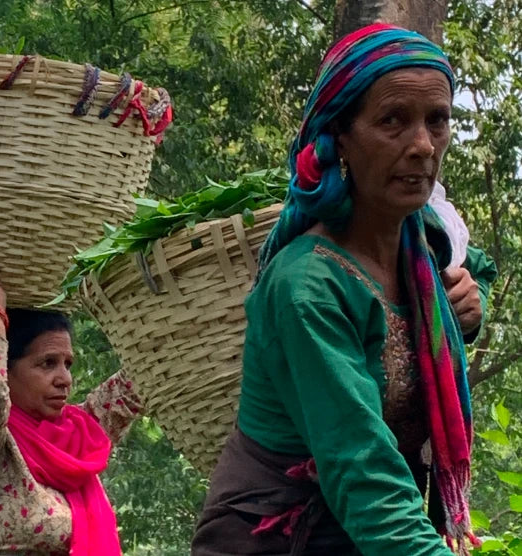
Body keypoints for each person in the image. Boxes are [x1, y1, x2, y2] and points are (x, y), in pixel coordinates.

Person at [192, 23, 498, 556]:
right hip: (282, 537)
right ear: (340, 138)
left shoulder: (421, 244)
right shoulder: (308, 287)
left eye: (437, 120)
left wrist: (471, 311)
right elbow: (364, 473)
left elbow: (476, 273)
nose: (423, 145)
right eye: (393, 121)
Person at [0, 280, 142, 555]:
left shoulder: (78, 435)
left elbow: (145, 376)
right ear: (6, 371)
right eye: (48, 363)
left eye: (67, 364)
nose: (65, 379)